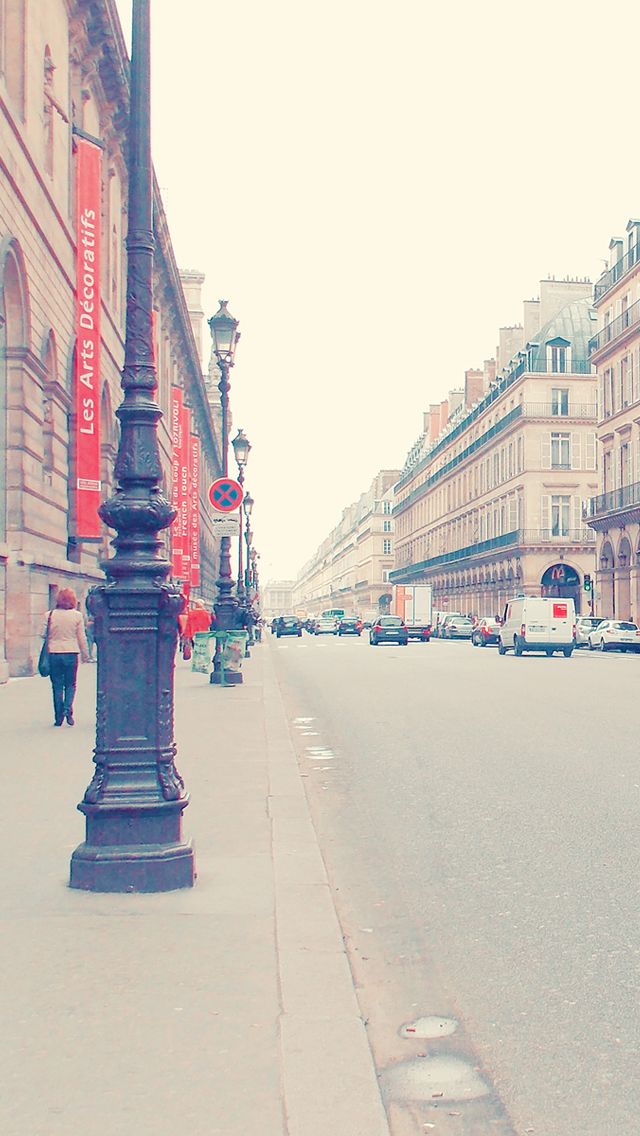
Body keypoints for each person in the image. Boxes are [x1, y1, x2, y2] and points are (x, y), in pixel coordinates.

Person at [44, 587, 90, 726]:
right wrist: (85, 655)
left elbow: (42, 633)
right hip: (71, 652)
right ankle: (68, 709)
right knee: (71, 684)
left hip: (54, 653)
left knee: (57, 685)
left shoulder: (49, 615)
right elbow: (81, 637)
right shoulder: (77, 616)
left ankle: (58, 717)